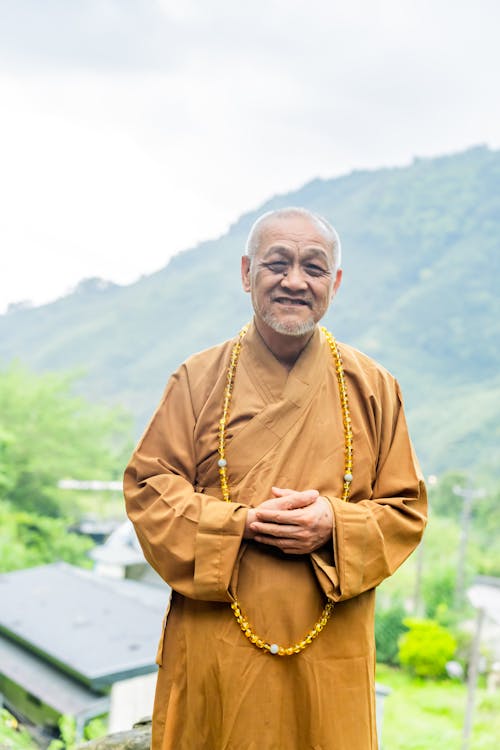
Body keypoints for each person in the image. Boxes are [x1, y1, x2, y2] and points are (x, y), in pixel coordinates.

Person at [124, 207, 427, 750]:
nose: (294, 281)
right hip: (218, 644)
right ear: (247, 274)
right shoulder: (197, 379)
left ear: (334, 283)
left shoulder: (375, 386)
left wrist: (333, 523)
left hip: (329, 650)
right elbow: (149, 487)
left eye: (313, 267)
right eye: (277, 263)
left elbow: (405, 509)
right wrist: (234, 526)